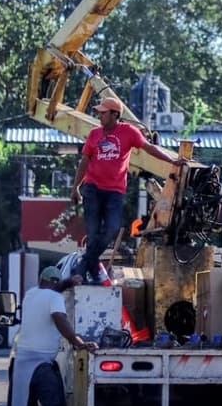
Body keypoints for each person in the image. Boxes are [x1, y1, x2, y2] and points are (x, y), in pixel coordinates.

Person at [71, 95, 185, 284]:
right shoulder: (94, 134)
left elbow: (150, 148)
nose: (99, 116)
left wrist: (172, 160)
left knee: (112, 229)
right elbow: (84, 162)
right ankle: (89, 272)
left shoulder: (129, 132)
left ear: (115, 114)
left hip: (114, 192)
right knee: (92, 234)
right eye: (99, 113)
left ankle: (82, 266)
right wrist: (76, 187)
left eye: (103, 113)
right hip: (92, 190)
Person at [11, 265, 99, 406]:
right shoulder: (55, 298)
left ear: (41, 280)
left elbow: (52, 288)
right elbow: (60, 319)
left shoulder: (30, 294)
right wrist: (79, 342)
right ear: (55, 283)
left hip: (22, 366)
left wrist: (68, 282)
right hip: (41, 365)